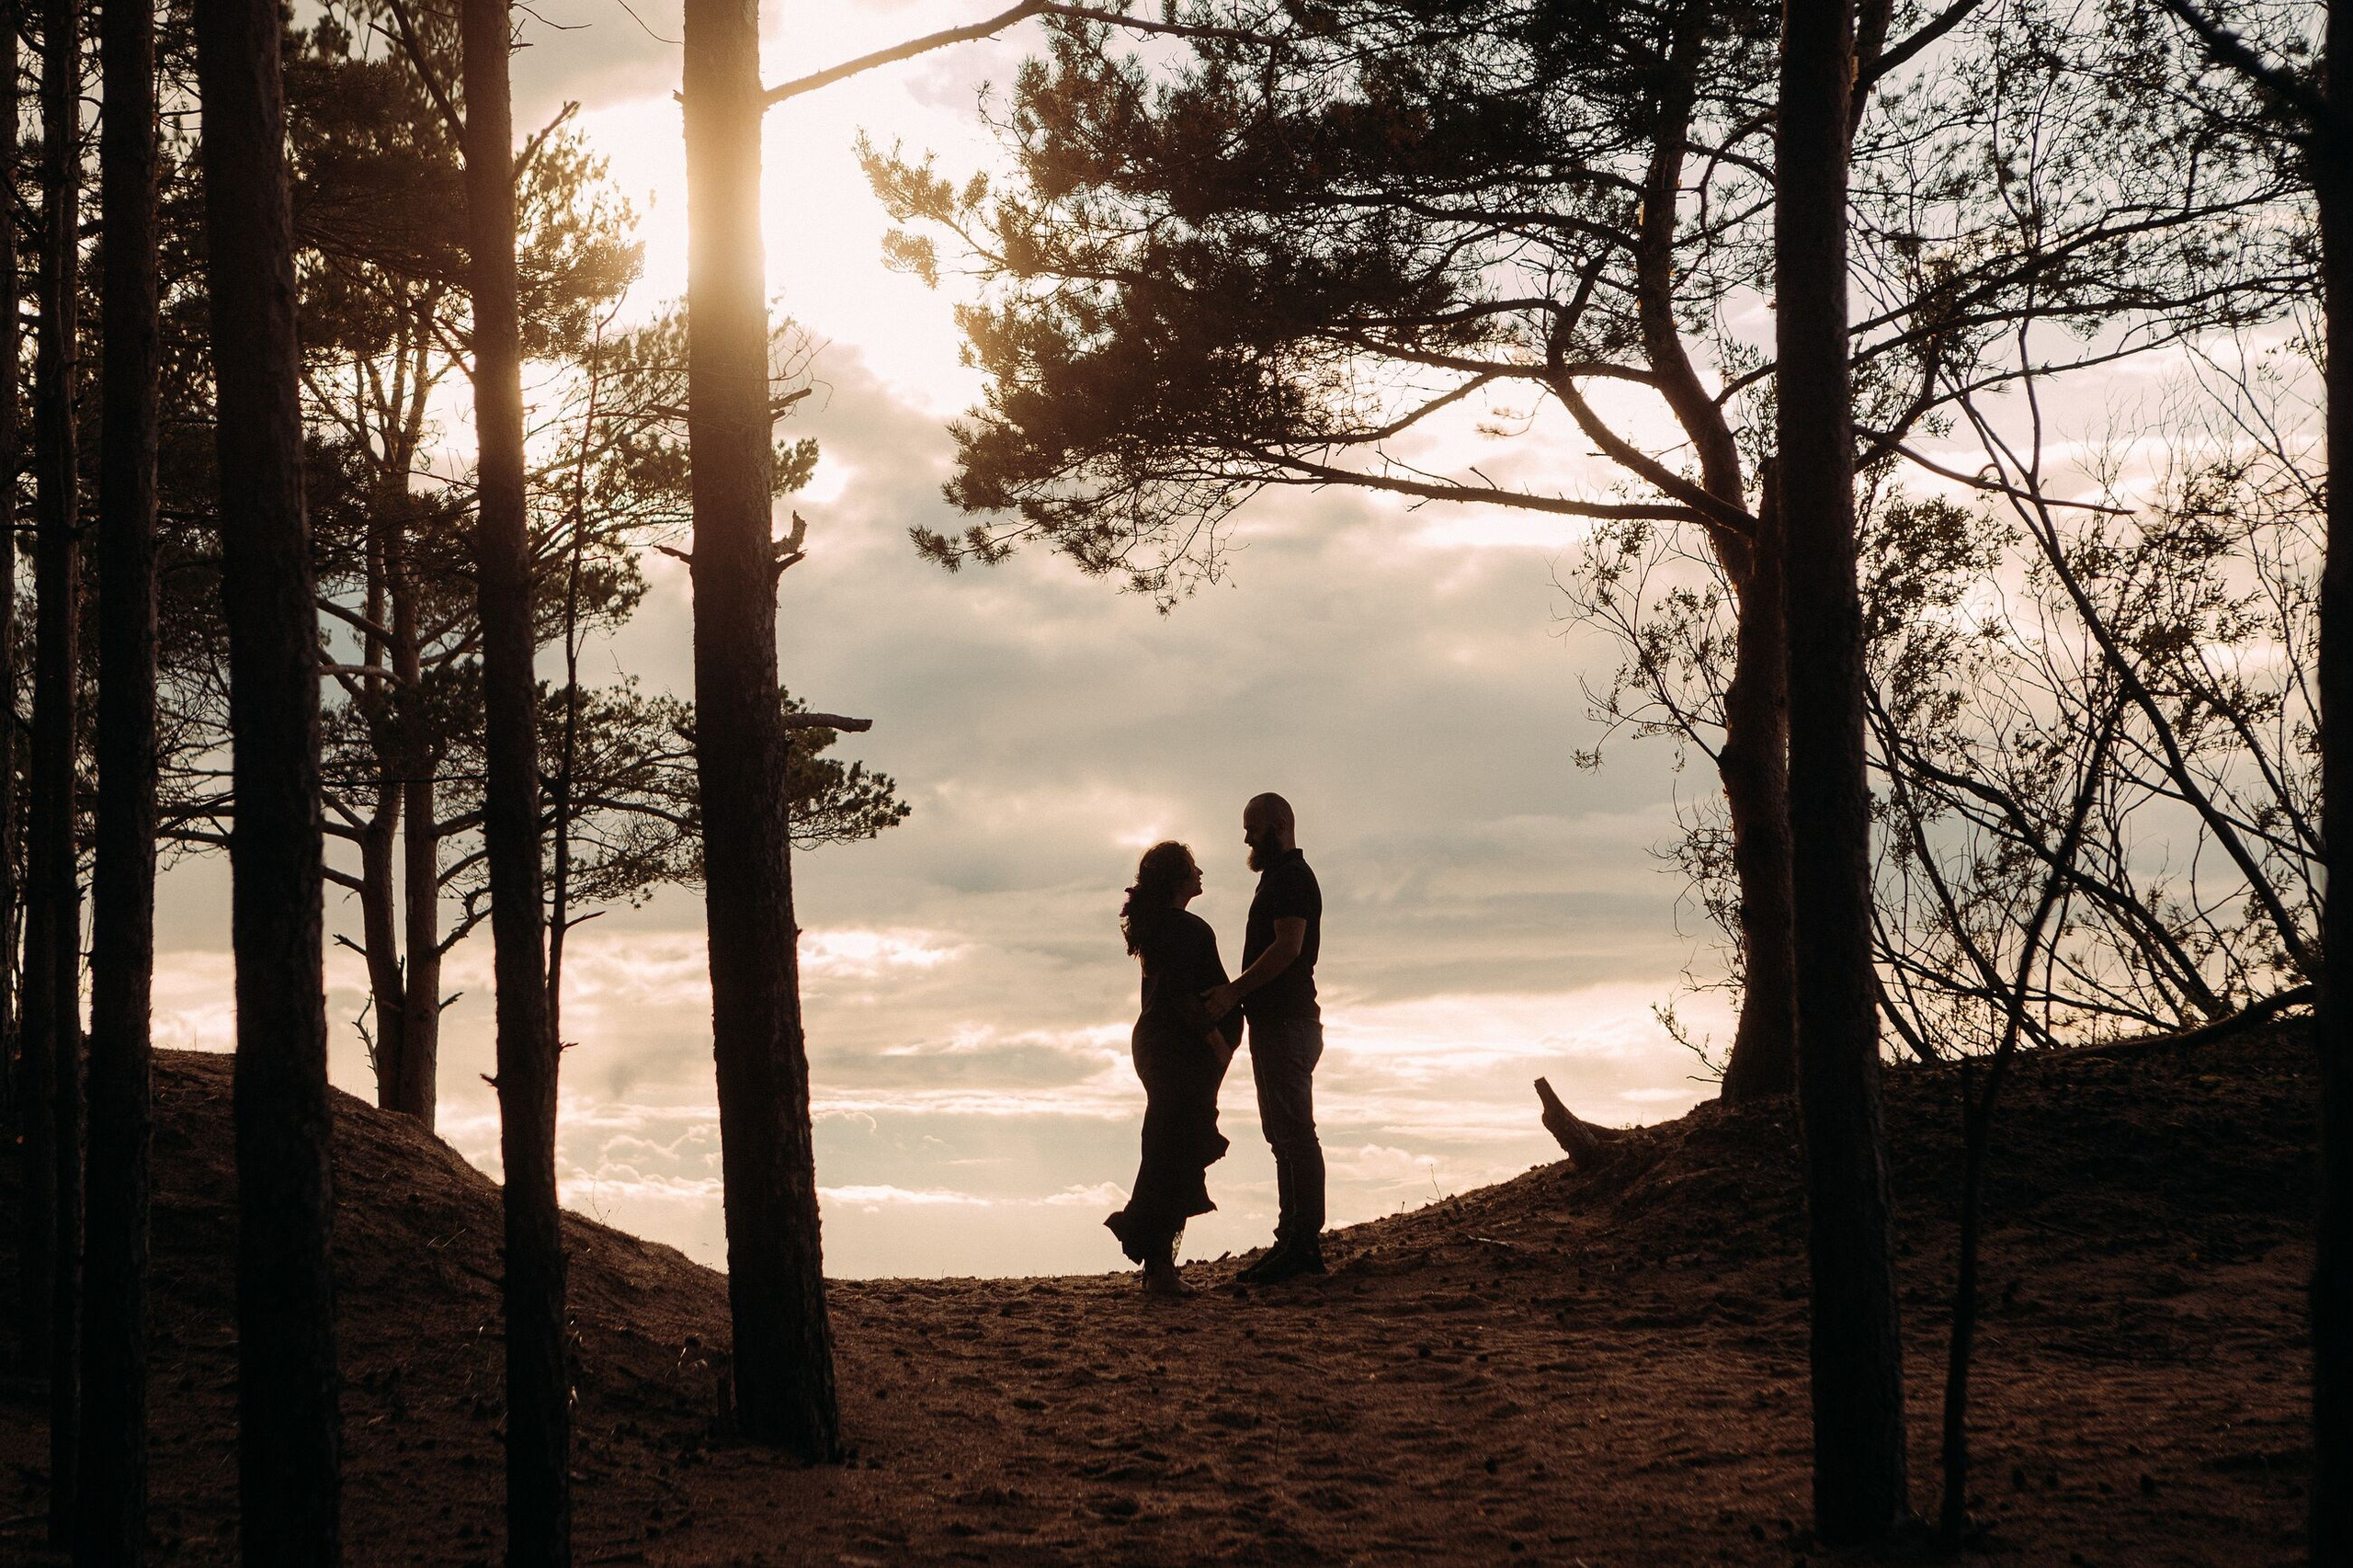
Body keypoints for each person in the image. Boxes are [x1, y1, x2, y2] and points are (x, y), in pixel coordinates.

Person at [1105, 840, 1241, 1297]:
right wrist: (1217, 1042)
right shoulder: (1185, 929)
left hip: (1163, 1050)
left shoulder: (1165, 926)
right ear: (1178, 878)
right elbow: (1184, 995)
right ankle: (1156, 1262)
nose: (1201, 873)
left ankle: (1157, 1261)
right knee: (1173, 1152)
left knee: (1171, 1147)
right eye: (1192, 868)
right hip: (1178, 1051)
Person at [1200, 792, 1325, 1283]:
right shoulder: (1277, 879)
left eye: (1252, 828)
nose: (1247, 838)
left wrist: (1233, 992)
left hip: (1289, 1024)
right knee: (1281, 1135)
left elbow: (1289, 947)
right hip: (1274, 1025)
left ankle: (1304, 1247)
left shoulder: (1293, 878)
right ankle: (1291, 1240)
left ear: (1279, 825)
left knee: (1295, 1134)